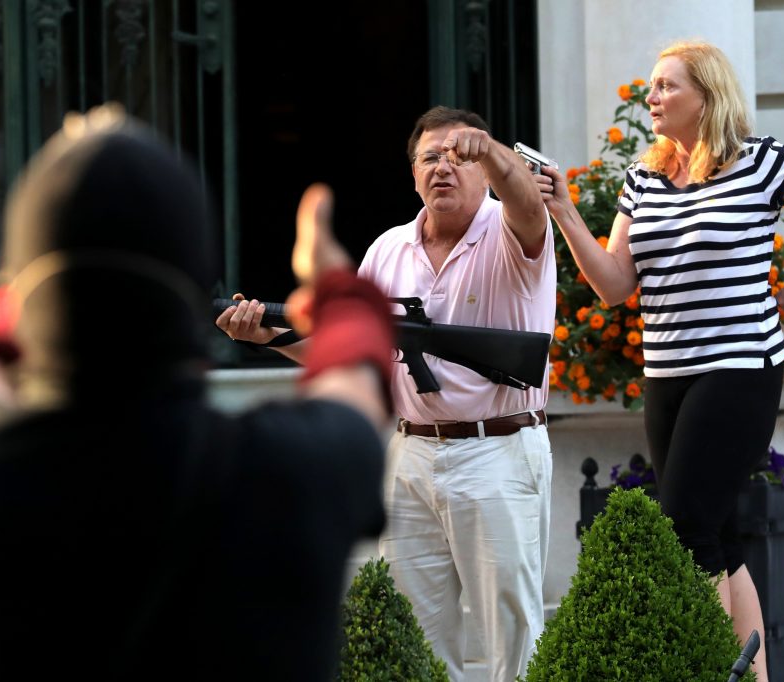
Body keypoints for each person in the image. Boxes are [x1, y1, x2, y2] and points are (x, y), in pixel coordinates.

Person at [0, 105, 396, 681]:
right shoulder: (285, 471)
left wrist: (36, 260)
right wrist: (338, 291)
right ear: (195, 290)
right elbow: (359, 371)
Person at [535, 41, 784, 681]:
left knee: (683, 531)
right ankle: (753, 678)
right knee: (716, 536)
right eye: (651, 85)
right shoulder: (641, 179)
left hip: (739, 367)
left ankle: (701, 670)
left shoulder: (759, 164)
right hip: (666, 373)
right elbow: (616, 285)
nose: (652, 96)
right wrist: (563, 209)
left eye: (667, 85)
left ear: (707, 95)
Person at [217, 105, 556, 681]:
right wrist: (268, 336)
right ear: (413, 175)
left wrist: (495, 152)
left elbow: (527, 202)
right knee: (413, 636)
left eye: (458, 156)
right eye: (430, 158)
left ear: (483, 169)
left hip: (498, 449)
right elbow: (349, 351)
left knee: (512, 637)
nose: (443, 168)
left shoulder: (511, 228)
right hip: (410, 455)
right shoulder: (387, 250)